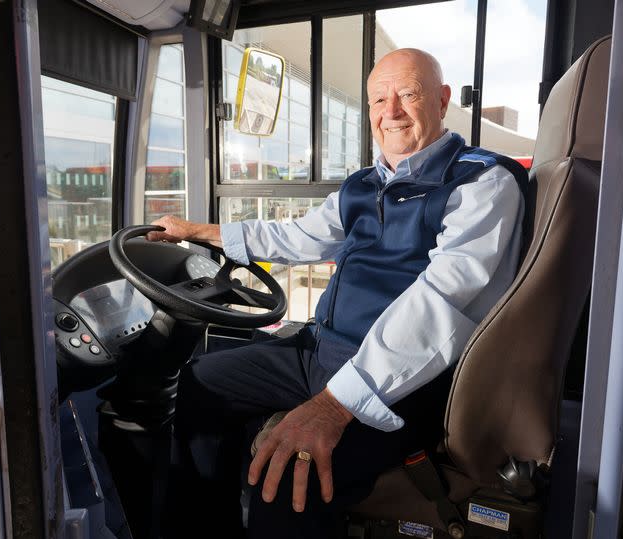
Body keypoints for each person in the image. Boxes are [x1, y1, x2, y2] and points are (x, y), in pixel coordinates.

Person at [149, 48, 528, 538]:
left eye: (407, 95)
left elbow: (441, 302)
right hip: (322, 351)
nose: (390, 111)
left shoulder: (482, 182)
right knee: (202, 381)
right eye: (377, 100)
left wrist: (333, 405)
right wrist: (198, 231)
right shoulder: (363, 186)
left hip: (406, 382)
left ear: (442, 100)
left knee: (286, 474)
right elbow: (296, 237)